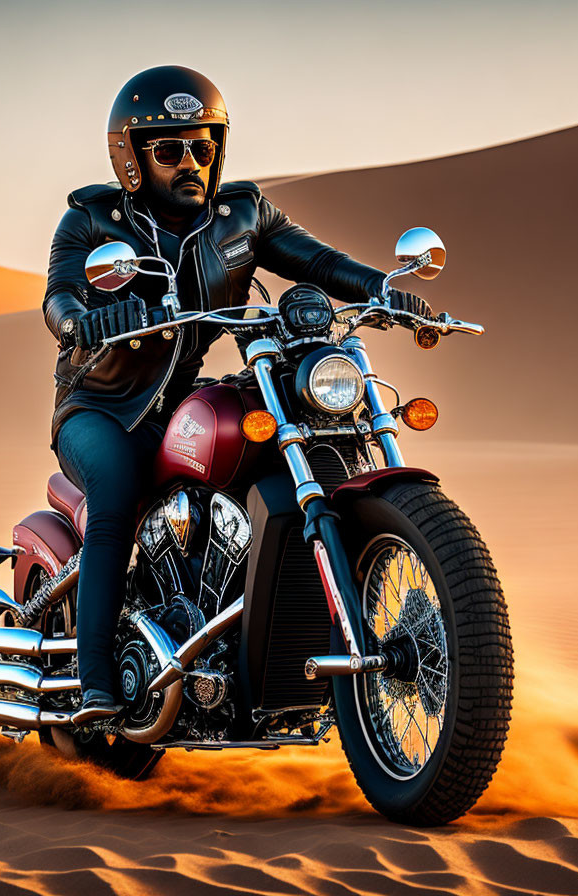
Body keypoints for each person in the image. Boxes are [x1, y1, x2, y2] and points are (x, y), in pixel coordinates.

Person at [42, 66, 432, 724]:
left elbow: (321, 262)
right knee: (115, 498)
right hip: (103, 409)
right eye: (169, 150)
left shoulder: (243, 215)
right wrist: (85, 321)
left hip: (178, 400)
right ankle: (97, 681)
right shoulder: (92, 220)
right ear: (132, 160)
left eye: (202, 147)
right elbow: (60, 297)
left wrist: (385, 292)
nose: (190, 163)